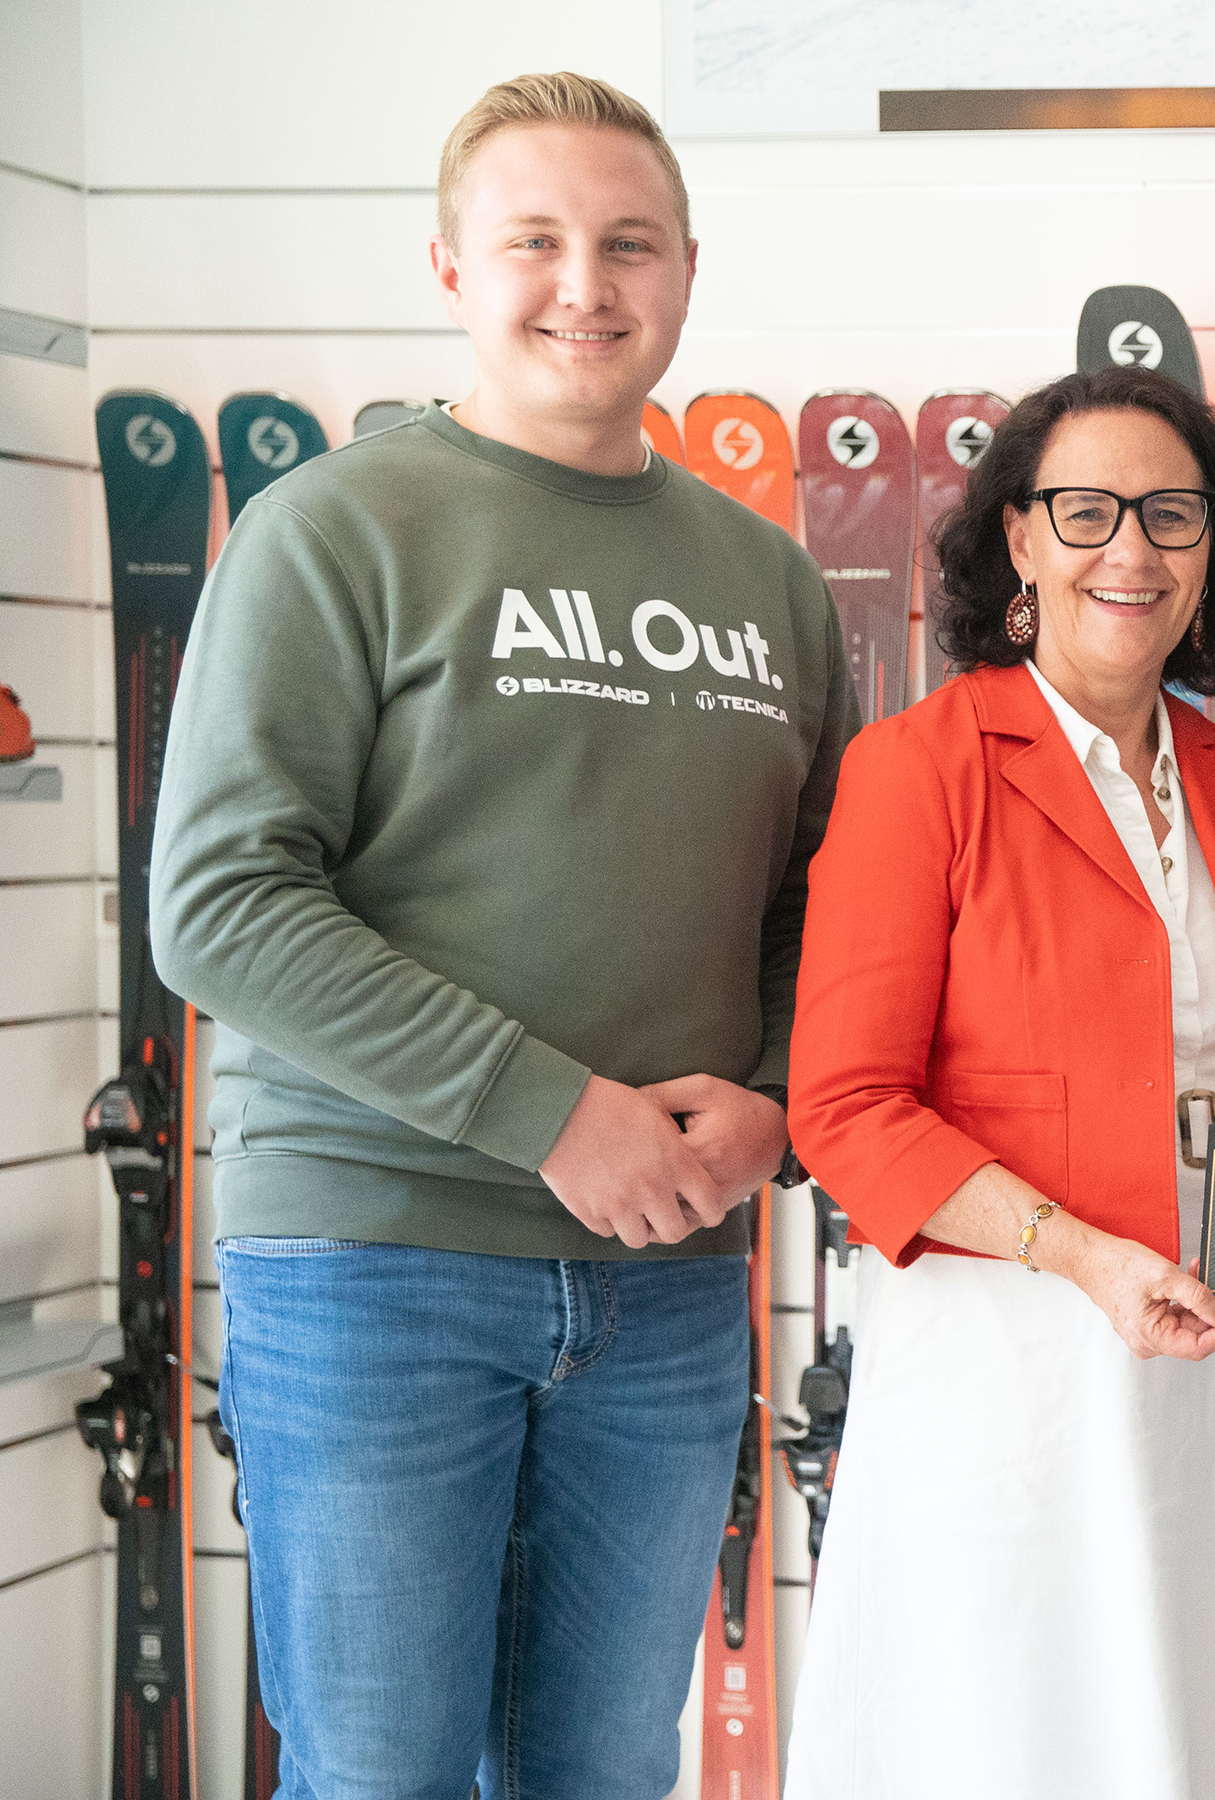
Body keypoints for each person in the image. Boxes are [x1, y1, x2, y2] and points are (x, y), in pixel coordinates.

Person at [148, 72, 853, 1796]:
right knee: (379, 1771)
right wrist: (552, 1113)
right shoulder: (337, 530)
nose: (584, 286)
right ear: (452, 269)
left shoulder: (768, 579)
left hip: (670, 1277)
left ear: (688, 269)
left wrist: (773, 1101)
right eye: (534, 241)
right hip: (376, 1260)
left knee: (601, 1772)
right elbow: (221, 904)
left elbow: (819, 904)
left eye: (629, 244)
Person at [781, 365, 1215, 1798]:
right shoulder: (919, 768)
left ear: (1213, 548)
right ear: (1021, 540)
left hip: (1211, 1350)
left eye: (1171, 514)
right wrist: (1081, 1255)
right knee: (1013, 1734)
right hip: (1012, 1362)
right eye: (1087, 511)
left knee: (1207, 1724)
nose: (1131, 549)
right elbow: (846, 1110)